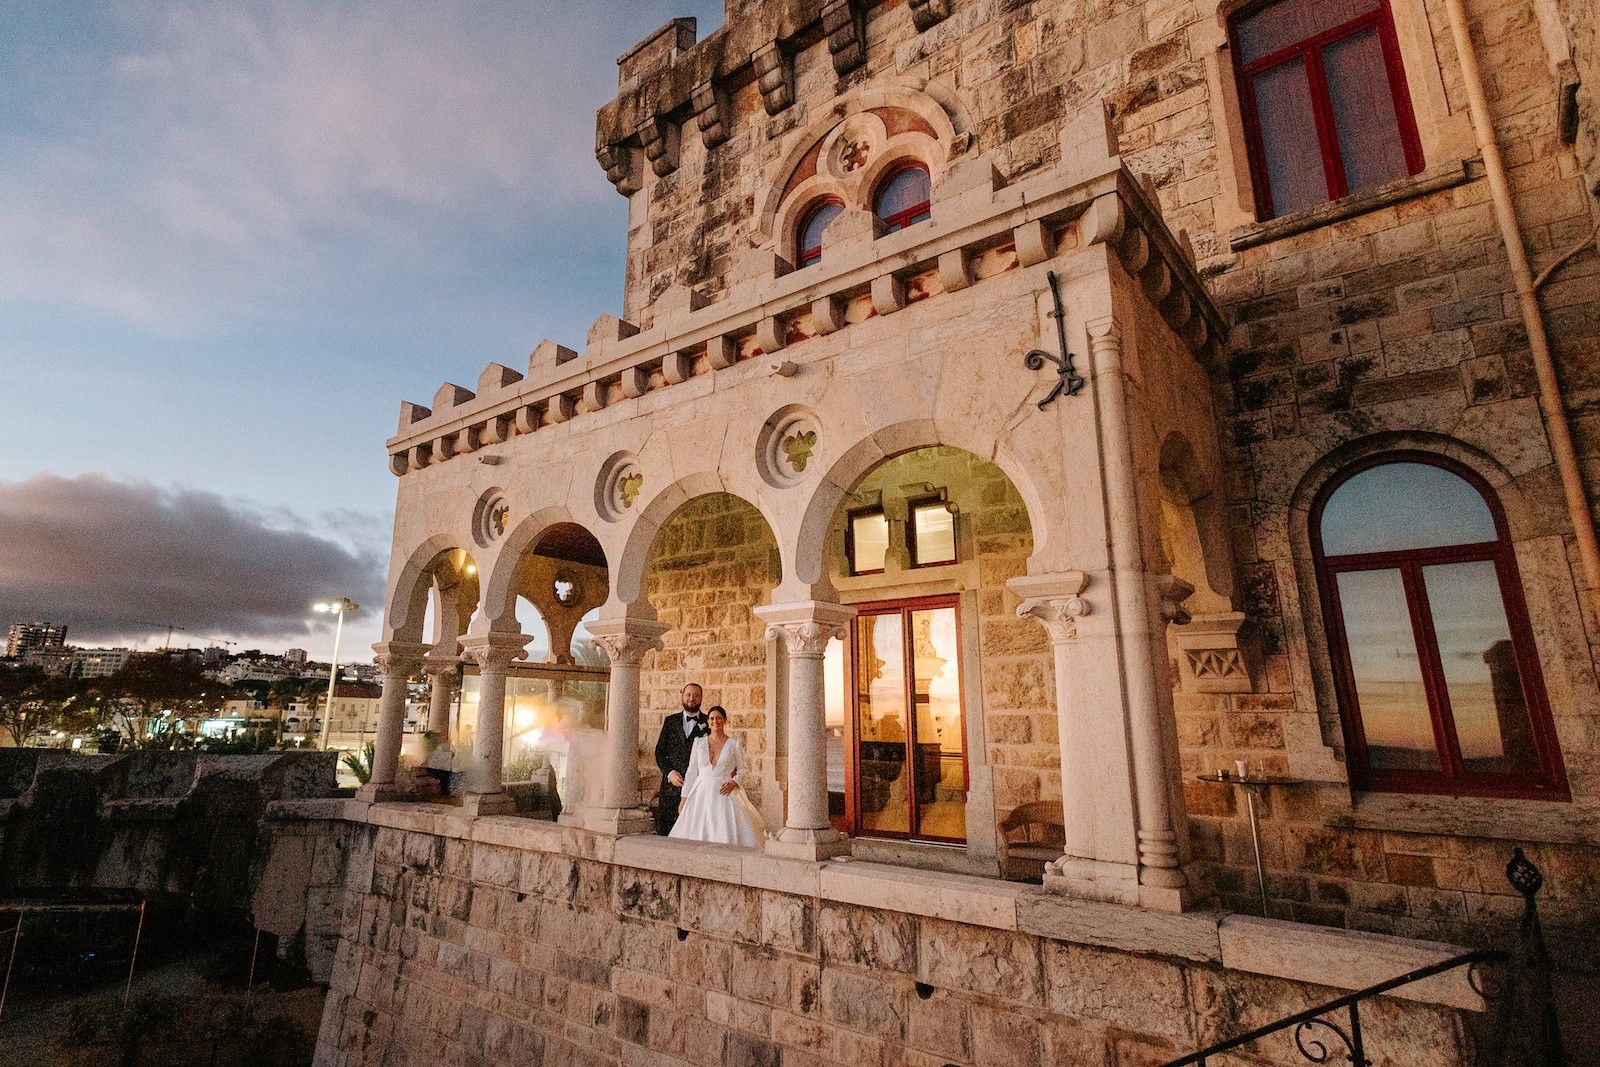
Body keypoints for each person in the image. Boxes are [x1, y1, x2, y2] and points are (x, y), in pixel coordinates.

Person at [669, 706, 767, 848]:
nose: (715, 721)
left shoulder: (734, 744)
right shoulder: (698, 742)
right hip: (701, 793)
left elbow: (743, 769)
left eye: (719, 718)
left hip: (725, 792)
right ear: (708, 721)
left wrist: (734, 782)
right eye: (712, 718)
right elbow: (691, 771)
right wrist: (684, 798)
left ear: (724, 720)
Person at [653, 682, 705, 835]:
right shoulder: (670, 721)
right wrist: (669, 773)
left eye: (696, 695)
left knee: (692, 833)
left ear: (701, 698)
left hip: (696, 789)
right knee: (666, 833)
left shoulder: (708, 722)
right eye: (688, 694)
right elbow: (660, 752)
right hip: (670, 789)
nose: (691, 698)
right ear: (682, 695)